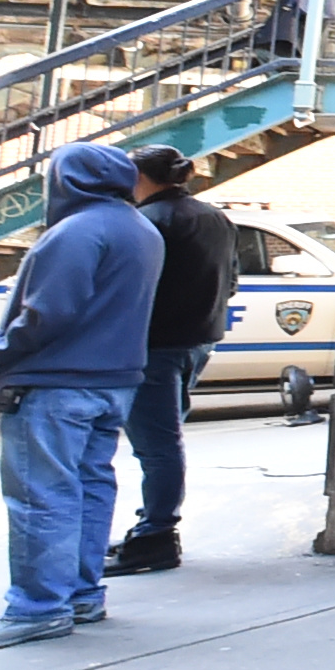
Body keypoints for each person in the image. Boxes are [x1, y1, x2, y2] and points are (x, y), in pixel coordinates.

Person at [0, 142, 163, 651]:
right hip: (115, 379)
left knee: (42, 495)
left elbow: (46, 312)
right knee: (88, 486)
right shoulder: (140, 228)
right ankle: (82, 592)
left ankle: (38, 606)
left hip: (57, 380)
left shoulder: (77, 230)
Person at [105, 143, 239, 576]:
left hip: (157, 345)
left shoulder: (148, 222)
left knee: (157, 445)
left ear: (140, 177)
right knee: (164, 439)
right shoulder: (213, 216)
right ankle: (154, 527)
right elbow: (230, 280)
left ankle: (156, 534)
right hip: (196, 339)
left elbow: (129, 288)